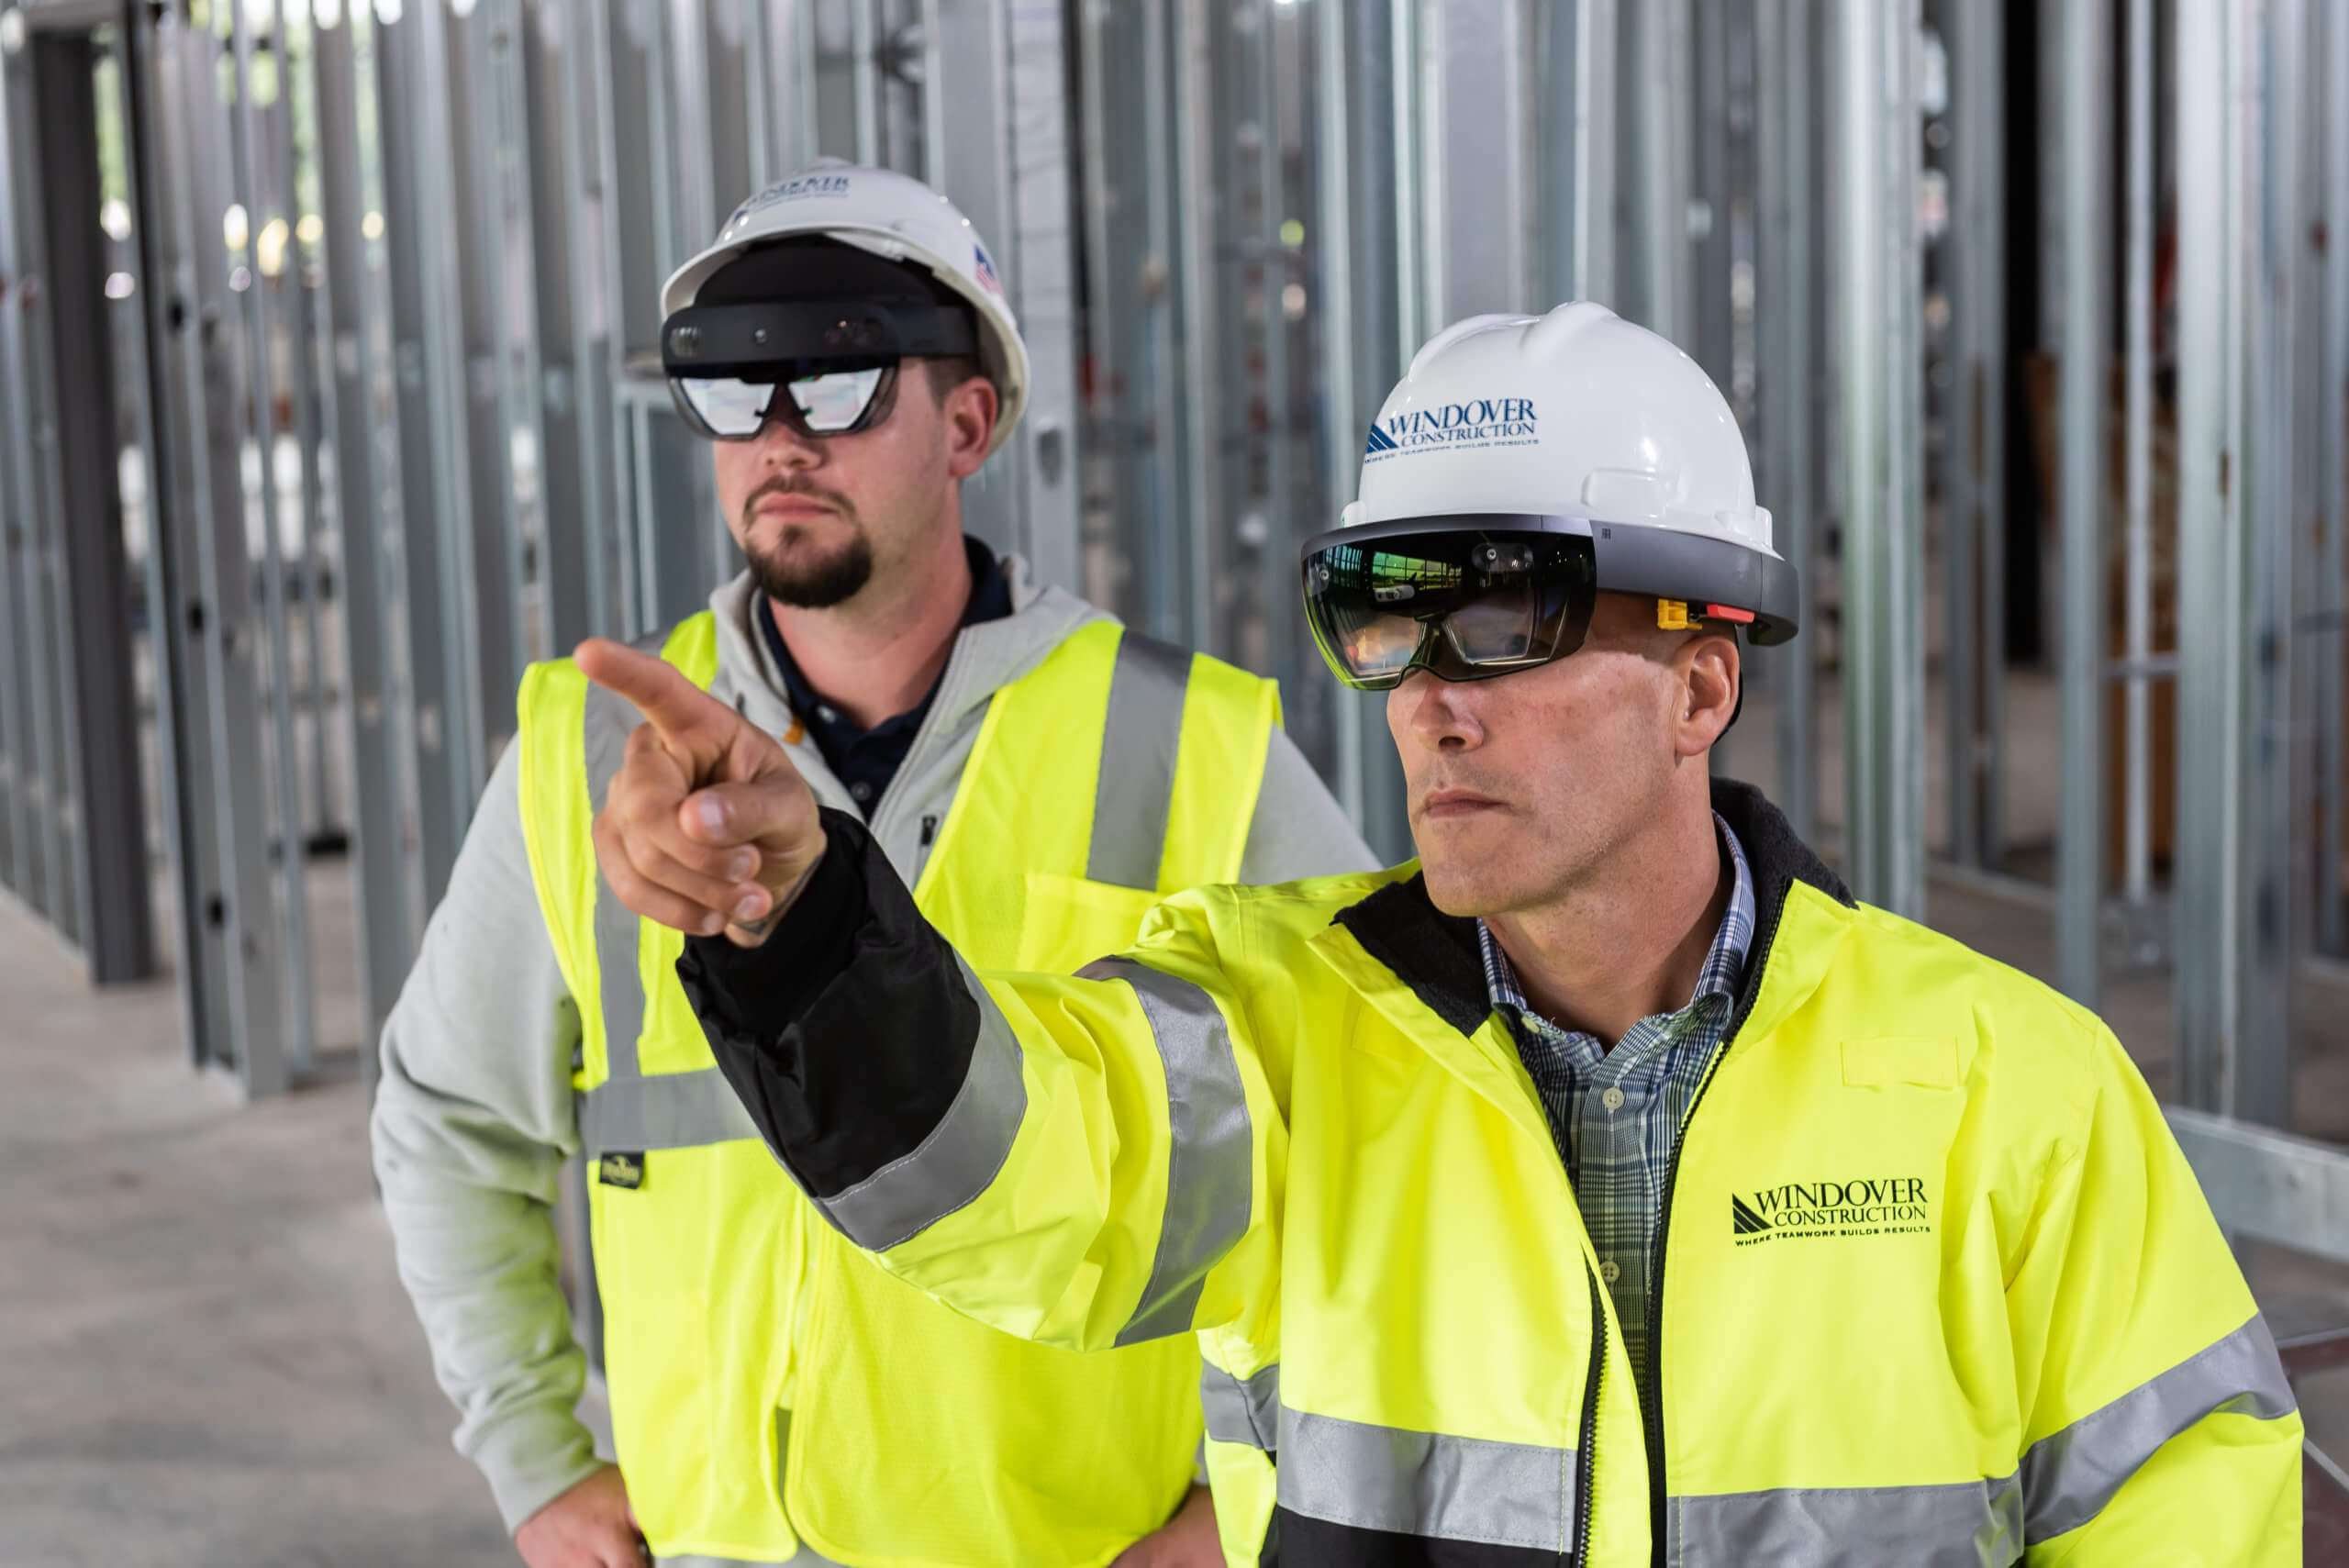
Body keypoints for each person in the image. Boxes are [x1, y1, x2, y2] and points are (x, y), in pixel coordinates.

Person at [587, 301, 2302, 1565]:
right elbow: (994, 1169)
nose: (1429, 705)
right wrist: (805, 921)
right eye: (1389, 625)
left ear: (1701, 679)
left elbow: (2189, 1506)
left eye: (1504, 617)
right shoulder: (1269, 1045)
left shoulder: (2010, 1085)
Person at [371, 160, 1374, 1568]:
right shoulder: (588, 751)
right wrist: (532, 1456)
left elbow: (1373, 1156)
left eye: (837, 380)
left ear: (967, 421)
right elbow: (443, 1122)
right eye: (732, 383)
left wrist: (1241, 1506)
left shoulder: (1188, 744)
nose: (779, 433)